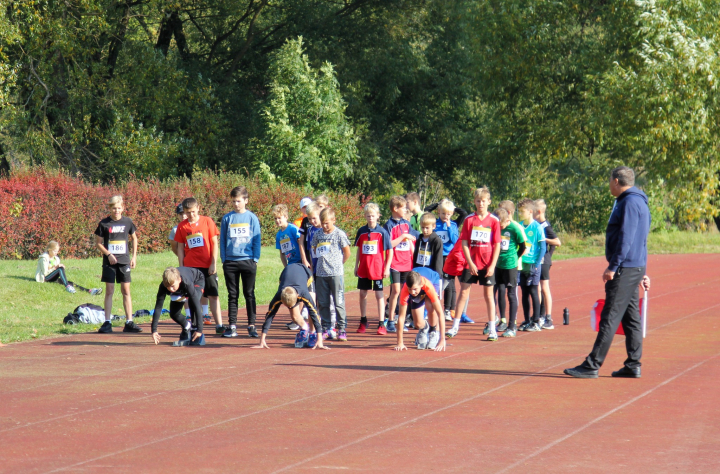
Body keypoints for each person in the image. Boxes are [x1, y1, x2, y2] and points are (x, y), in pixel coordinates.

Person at [565, 166, 651, 379]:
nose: (609, 185)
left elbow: (627, 237)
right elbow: (642, 239)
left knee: (610, 316)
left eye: (609, 181)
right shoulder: (638, 200)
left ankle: (592, 365)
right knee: (631, 318)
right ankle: (633, 364)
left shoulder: (629, 202)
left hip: (625, 268)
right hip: (633, 266)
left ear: (615, 181)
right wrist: (641, 270)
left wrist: (614, 266)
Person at [174, 197, 224, 334]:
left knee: (213, 295)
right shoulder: (182, 226)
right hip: (191, 267)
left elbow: (214, 243)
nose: (191, 215)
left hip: (207, 265)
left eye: (194, 212)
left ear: (198, 208)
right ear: (184, 211)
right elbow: (180, 247)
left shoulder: (207, 221)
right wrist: (181, 268)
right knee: (193, 296)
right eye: (188, 212)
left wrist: (213, 263)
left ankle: (219, 324)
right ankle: (195, 325)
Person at [94, 195, 141, 334]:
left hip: (124, 261)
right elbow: (98, 243)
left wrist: (134, 257)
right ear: (110, 208)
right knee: (109, 291)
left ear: (123, 208)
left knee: (126, 291)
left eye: (119, 208)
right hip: (110, 262)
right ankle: (107, 322)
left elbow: (134, 238)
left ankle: (129, 322)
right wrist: (108, 254)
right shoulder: (104, 223)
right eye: (114, 208)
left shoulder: (127, 222)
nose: (116, 210)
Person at [254, 263, 328, 350]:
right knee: (294, 316)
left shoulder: (304, 293)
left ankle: (312, 333)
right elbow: (270, 315)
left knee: (311, 308)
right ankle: (304, 328)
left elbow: (314, 313)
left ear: (297, 296)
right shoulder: (279, 296)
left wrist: (320, 340)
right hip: (287, 274)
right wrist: (262, 340)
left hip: (305, 274)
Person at [220, 186, 261, 338]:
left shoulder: (252, 218)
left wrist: (255, 259)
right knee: (232, 294)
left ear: (246, 201)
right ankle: (232, 326)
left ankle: (251, 325)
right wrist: (224, 259)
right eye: (234, 201)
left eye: (238, 201)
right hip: (230, 261)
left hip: (247, 260)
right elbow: (223, 240)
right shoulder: (227, 218)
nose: (236, 204)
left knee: (249, 293)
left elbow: (257, 239)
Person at [311, 208, 351, 341]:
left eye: (327, 223)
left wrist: (339, 264)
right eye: (322, 223)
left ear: (334, 220)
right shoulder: (318, 234)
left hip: (336, 274)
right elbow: (314, 249)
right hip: (321, 274)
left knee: (338, 302)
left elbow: (347, 252)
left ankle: (342, 329)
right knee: (323, 302)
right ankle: (327, 328)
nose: (324, 226)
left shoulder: (339, 234)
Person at [427, 199, 469, 322]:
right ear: (439, 212)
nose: (446, 216)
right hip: (438, 256)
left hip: (450, 256)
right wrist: (440, 204)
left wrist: (451, 210)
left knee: (451, 284)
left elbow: (455, 240)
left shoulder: (454, 225)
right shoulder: (434, 223)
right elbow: (426, 212)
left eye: (448, 214)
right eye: (443, 213)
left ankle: (448, 310)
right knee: (440, 283)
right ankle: (433, 307)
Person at [354, 203, 393, 333]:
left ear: (378, 216)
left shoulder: (382, 232)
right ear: (365, 216)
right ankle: (363, 320)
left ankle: (381, 323)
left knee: (379, 294)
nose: (371, 218)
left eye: (373, 216)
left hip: (377, 268)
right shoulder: (361, 231)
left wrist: (387, 268)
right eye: (368, 216)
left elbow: (390, 251)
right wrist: (356, 265)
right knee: (362, 293)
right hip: (364, 268)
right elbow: (359, 249)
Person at [384, 195, 418, 334]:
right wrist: (403, 237)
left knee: (405, 292)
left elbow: (410, 241)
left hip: (407, 262)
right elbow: (389, 244)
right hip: (394, 263)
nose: (405, 209)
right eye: (403, 207)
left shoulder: (406, 223)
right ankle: (390, 320)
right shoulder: (389, 225)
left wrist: (414, 257)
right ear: (395, 208)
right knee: (396, 291)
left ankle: (401, 321)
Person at [150, 267, 206, 346]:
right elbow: (158, 307)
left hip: (197, 279)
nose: (171, 290)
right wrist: (154, 330)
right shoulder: (164, 286)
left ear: (179, 280)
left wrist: (200, 330)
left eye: (172, 286)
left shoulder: (187, 283)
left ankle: (194, 329)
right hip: (181, 287)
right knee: (174, 314)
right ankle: (187, 326)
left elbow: (197, 306)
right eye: (168, 287)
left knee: (192, 302)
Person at [393, 269, 446, 351]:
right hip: (418, 286)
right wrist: (400, 343)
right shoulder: (405, 289)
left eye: (414, 289)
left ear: (421, 285)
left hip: (433, 280)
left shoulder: (428, 286)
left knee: (430, 305)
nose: (412, 292)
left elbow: (440, 313)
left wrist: (442, 340)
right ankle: (424, 328)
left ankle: (433, 331)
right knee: (417, 324)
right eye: (410, 289)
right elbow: (401, 317)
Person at [493, 208, 526, 337]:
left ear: (507, 220)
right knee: (498, 292)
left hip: (511, 265)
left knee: (511, 294)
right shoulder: (495, 227)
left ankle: (512, 326)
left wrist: (514, 257)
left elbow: (523, 246)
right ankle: (502, 320)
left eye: (501, 225)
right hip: (497, 264)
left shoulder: (514, 229)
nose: (499, 227)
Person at [516, 199, 546, 332]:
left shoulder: (537, 227)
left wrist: (537, 263)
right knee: (524, 293)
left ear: (530, 212)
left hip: (533, 264)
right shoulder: (519, 226)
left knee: (534, 291)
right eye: (519, 211)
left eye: (522, 211)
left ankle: (536, 320)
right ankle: (527, 320)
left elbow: (543, 247)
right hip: (522, 264)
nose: (520, 213)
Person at [35, 241, 101, 295]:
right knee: (60, 269)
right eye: (54, 251)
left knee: (71, 283)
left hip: (52, 277)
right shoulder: (43, 258)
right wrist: (55, 268)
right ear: (49, 250)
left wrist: (57, 267)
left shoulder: (56, 259)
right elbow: (45, 273)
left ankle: (89, 291)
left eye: (57, 251)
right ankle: (67, 287)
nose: (56, 253)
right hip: (44, 278)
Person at [534, 199, 562, 329]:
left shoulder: (545, 226)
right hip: (539, 259)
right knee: (538, 288)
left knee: (544, 288)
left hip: (544, 261)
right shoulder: (536, 224)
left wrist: (544, 240)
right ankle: (540, 316)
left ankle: (548, 318)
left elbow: (557, 242)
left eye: (532, 212)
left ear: (539, 212)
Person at [168, 203, 191, 320]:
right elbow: (174, 247)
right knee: (185, 288)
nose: (183, 216)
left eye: (185, 213)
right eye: (180, 214)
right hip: (185, 262)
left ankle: (204, 313)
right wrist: (182, 257)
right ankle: (188, 314)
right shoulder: (176, 229)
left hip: (197, 261)